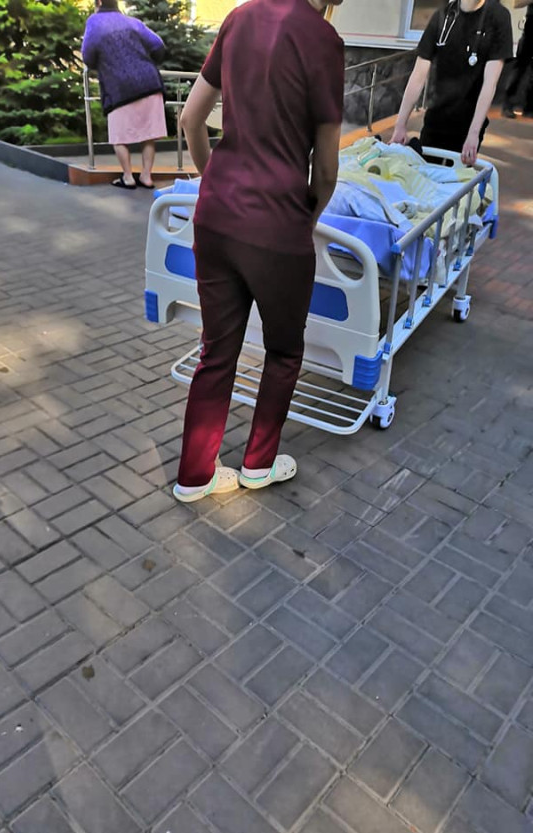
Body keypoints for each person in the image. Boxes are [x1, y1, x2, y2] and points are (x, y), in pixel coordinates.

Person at [172, 0, 346, 503]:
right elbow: (327, 167)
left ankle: (194, 476)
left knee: (216, 351)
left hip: (216, 217)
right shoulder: (324, 41)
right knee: (285, 351)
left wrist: (215, 182)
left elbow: (190, 119)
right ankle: (258, 465)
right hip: (278, 225)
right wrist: (307, 216)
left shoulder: (239, 17)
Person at [390, 0, 512, 165]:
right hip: (436, 118)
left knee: (457, 177)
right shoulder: (443, 17)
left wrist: (473, 134)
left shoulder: (497, 17)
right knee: (425, 173)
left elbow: (489, 83)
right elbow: (418, 75)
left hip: (469, 123)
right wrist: (400, 125)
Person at [81, 0, 166, 189]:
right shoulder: (132, 22)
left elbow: (87, 56)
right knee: (149, 135)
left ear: (99, 2)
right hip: (150, 82)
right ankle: (146, 177)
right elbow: (158, 45)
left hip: (119, 87)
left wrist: (103, 63)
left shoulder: (94, 22)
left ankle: (128, 177)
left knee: (119, 136)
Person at [502, 0, 533, 118]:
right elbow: (517, 3)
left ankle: (529, 107)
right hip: (531, 28)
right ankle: (508, 104)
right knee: (520, 67)